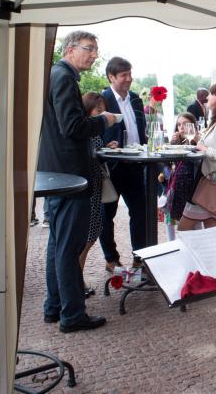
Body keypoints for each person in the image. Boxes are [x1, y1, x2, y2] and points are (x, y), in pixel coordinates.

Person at [38, 30, 116, 333]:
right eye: (90, 48)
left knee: (58, 244)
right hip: (70, 173)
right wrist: (104, 121)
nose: (95, 54)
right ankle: (71, 314)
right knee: (68, 248)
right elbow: (72, 126)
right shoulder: (63, 76)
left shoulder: (55, 75)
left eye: (97, 49)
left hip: (58, 172)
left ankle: (54, 306)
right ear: (70, 49)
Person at [100, 57, 148, 271]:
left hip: (136, 165)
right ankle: (111, 259)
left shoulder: (136, 100)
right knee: (106, 215)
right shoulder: (103, 100)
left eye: (130, 74)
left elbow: (142, 130)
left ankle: (140, 257)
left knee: (140, 212)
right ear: (112, 77)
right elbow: (95, 131)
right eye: (124, 75)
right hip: (111, 168)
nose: (129, 78)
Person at [178, 83, 216, 231]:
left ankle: (197, 254)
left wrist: (205, 149)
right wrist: (198, 141)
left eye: (212, 93)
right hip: (211, 179)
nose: (208, 96)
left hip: (213, 181)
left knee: (184, 229)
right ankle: (214, 254)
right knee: (212, 228)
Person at [80, 92, 118, 297]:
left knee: (90, 236)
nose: (102, 114)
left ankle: (78, 281)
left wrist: (105, 147)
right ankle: (77, 282)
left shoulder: (91, 131)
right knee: (86, 238)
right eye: (98, 110)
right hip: (89, 191)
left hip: (93, 189)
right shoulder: (86, 130)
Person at [164, 112, 199, 224]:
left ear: (193, 125)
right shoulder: (176, 142)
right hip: (175, 185)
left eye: (185, 124)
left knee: (192, 221)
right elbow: (167, 165)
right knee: (171, 220)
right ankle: (172, 239)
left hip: (193, 186)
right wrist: (171, 144)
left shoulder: (199, 141)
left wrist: (197, 141)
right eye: (179, 125)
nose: (182, 127)